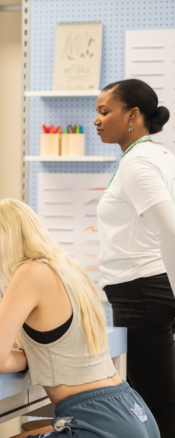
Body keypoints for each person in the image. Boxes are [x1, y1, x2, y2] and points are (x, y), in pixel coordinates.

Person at [0, 199, 158, 438]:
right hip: (130, 411)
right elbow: (46, 351)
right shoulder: (68, 267)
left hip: (95, 418)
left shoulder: (29, 273)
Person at [94, 78, 175, 435]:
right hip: (147, 290)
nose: (96, 120)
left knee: (153, 405)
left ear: (133, 115)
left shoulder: (137, 164)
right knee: (159, 399)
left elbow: (170, 231)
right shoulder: (156, 156)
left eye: (104, 111)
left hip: (142, 294)